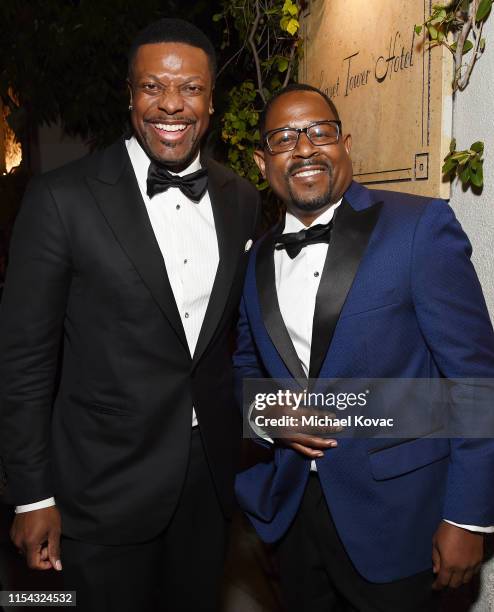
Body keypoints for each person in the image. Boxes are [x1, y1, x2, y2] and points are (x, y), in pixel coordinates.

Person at [0, 18, 260, 612]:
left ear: (212, 100)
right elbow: (23, 362)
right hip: (100, 487)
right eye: (153, 87)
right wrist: (31, 495)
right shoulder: (61, 198)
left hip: (208, 486)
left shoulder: (240, 198)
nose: (171, 104)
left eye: (190, 88)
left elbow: (230, 342)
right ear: (130, 93)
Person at [233, 83, 494, 612]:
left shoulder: (419, 227)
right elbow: (240, 366)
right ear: (263, 162)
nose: (304, 148)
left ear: (344, 143)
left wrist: (468, 516)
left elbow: (474, 379)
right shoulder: (255, 258)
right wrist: (265, 412)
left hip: (401, 522)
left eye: (318, 132)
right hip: (291, 520)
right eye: (284, 138)